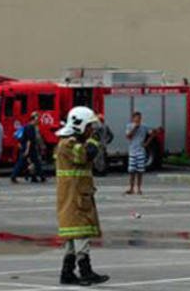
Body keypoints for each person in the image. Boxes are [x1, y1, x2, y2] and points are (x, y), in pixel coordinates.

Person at [55, 106, 108, 285]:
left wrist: (96, 135)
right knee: (81, 234)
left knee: (73, 236)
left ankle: (67, 272)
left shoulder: (72, 143)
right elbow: (86, 155)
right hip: (74, 198)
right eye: (89, 127)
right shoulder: (68, 144)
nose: (91, 130)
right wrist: (95, 138)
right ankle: (85, 272)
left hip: (78, 196)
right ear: (80, 126)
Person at [11, 112, 45, 183]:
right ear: (34, 119)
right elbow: (29, 140)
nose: (38, 120)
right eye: (37, 119)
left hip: (28, 148)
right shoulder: (31, 127)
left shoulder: (27, 126)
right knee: (27, 162)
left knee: (33, 162)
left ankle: (38, 177)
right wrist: (27, 150)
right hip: (29, 148)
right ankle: (14, 176)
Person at [125, 112, 153, 195]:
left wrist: (146, 143)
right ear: (133, 118)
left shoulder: (144, 126)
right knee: (131, 171)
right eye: (136, 118)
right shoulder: (129, 126)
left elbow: (152, 133)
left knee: (140, 171)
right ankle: (131, 188)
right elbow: (128, 136)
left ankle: (139, 188)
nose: (138, 120)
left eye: (139, 118)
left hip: (141, 151)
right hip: (132, 151)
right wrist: (135, 128)